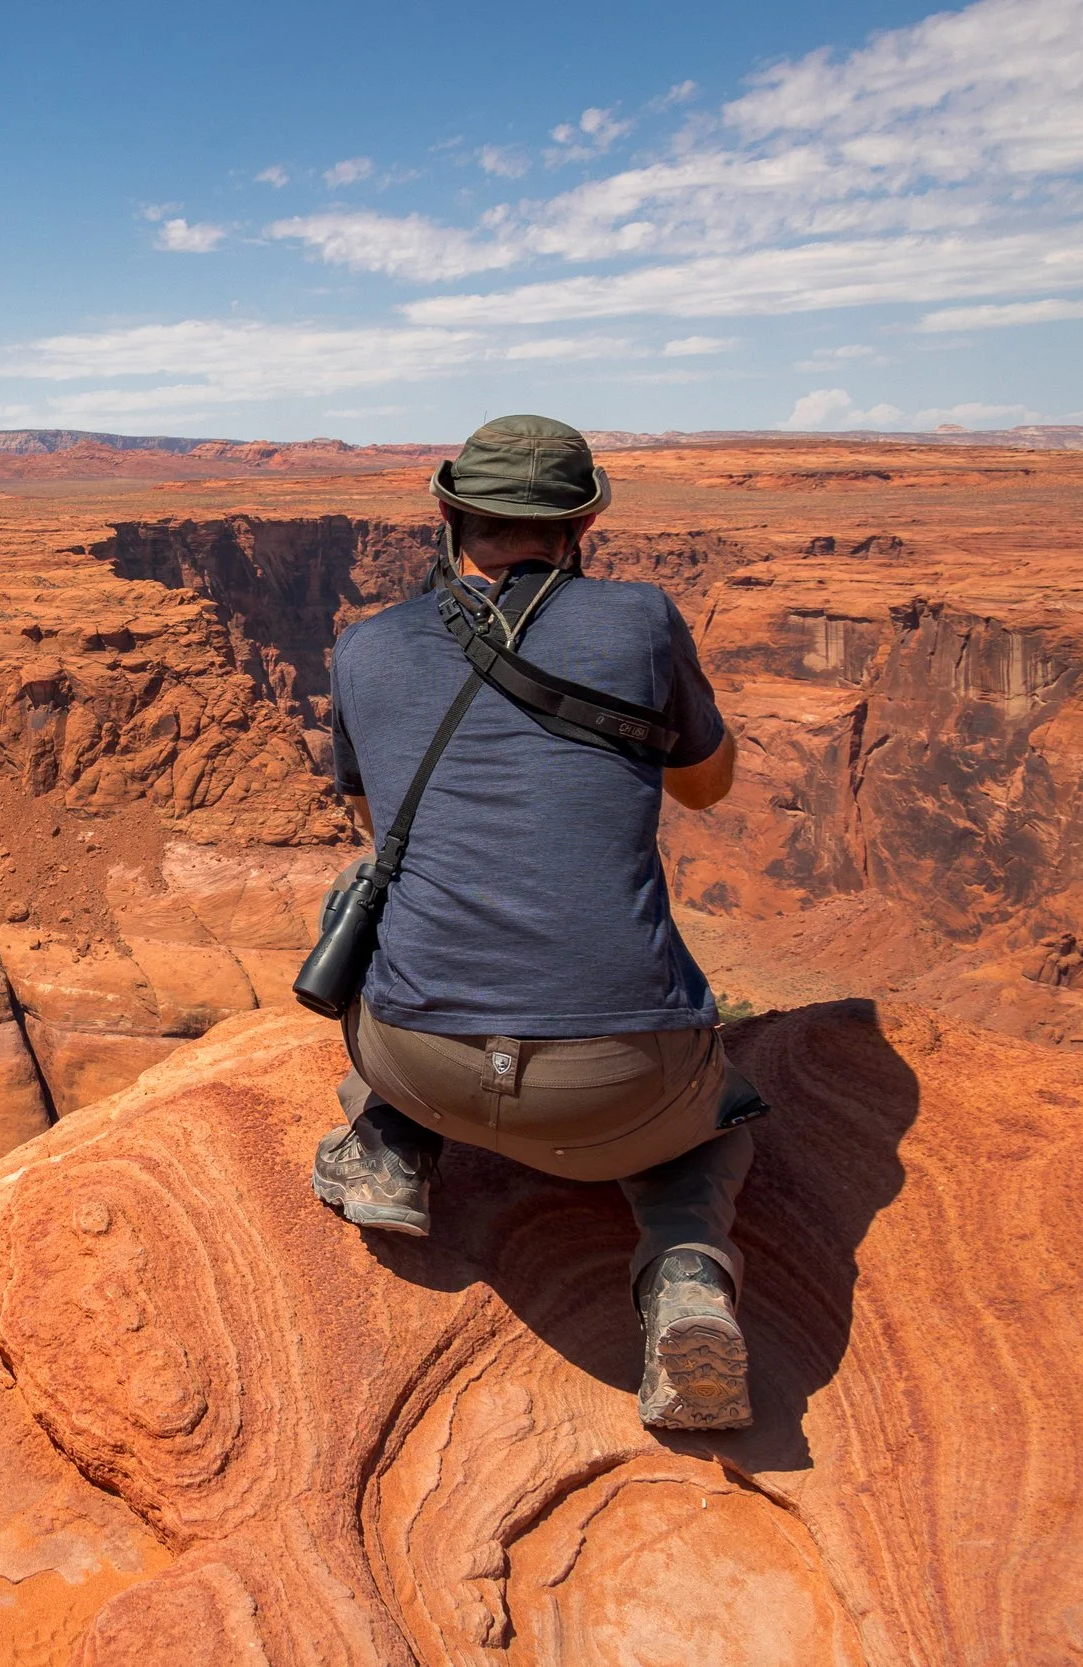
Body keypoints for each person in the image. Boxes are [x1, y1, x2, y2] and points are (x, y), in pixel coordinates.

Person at [312, 414, 757, 1430]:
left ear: (445, 512)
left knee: (369, 898)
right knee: (715, 1124)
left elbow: (384, 830)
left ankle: (391, 1143)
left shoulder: (365, 647)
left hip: (417, 1055)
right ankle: (686, 1275)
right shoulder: (641, 619)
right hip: (619, 1085)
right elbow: (706, 788)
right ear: (582, 522)